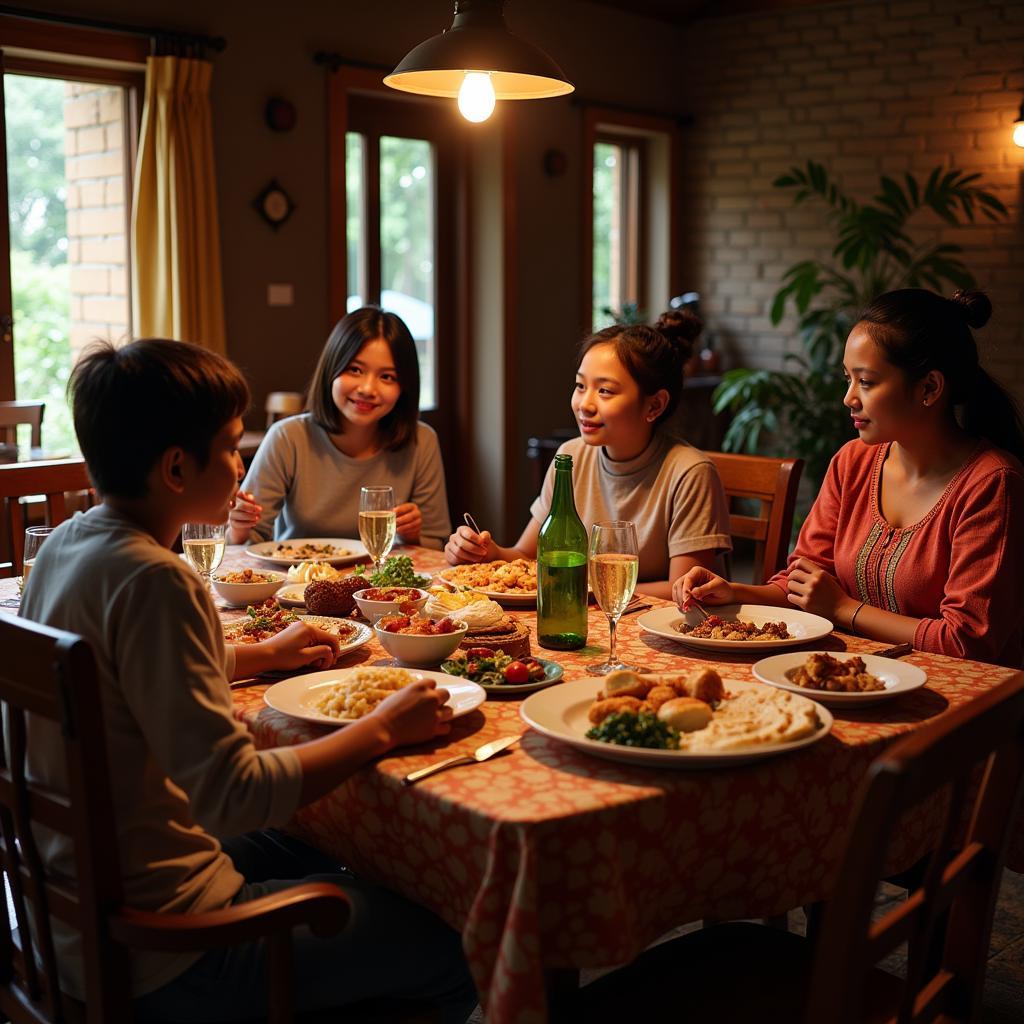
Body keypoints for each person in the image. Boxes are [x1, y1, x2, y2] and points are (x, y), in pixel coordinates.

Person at [19, 338, 476, 1022]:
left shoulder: (68, 544)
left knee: (315, 840)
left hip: (70, 917)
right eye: (231, 447)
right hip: (170, 949)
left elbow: (120, 671)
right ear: (177, 467)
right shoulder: (156, 579)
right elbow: (233, 795)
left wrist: (263, 655)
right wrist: (383, 728)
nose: (240, 465)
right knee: (456, 937)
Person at [674, 288, 1024, 668]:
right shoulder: (853, 462)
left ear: (929, 388)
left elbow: (968, 640)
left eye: (867, 382)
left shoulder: (992, 483)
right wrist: (733, 592)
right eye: (847, 379)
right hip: (857, 677)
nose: (848, 398)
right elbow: (804, 581)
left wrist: (845, 609)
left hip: (967, 701)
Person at [445, 311, 732, 599]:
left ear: (654, 406)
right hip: (588, 620)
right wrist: (486, 553)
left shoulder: (689, 472)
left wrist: (583, 589)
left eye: (605, 391)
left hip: (659, 633)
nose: (585, 404)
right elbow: (527, 557)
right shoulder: (570, 457)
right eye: (581, 386)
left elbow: (684, 589)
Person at [229, 306, 452, 549]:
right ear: (331, 370)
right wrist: (240, 529)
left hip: (383, 584)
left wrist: (412, 535)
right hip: (301, 580)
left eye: (387, 377)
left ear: (404, 387)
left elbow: (435, 544)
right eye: (355, 370)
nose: (367, 389)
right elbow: (245, 542)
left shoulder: (421, 441)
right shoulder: (287, 438)